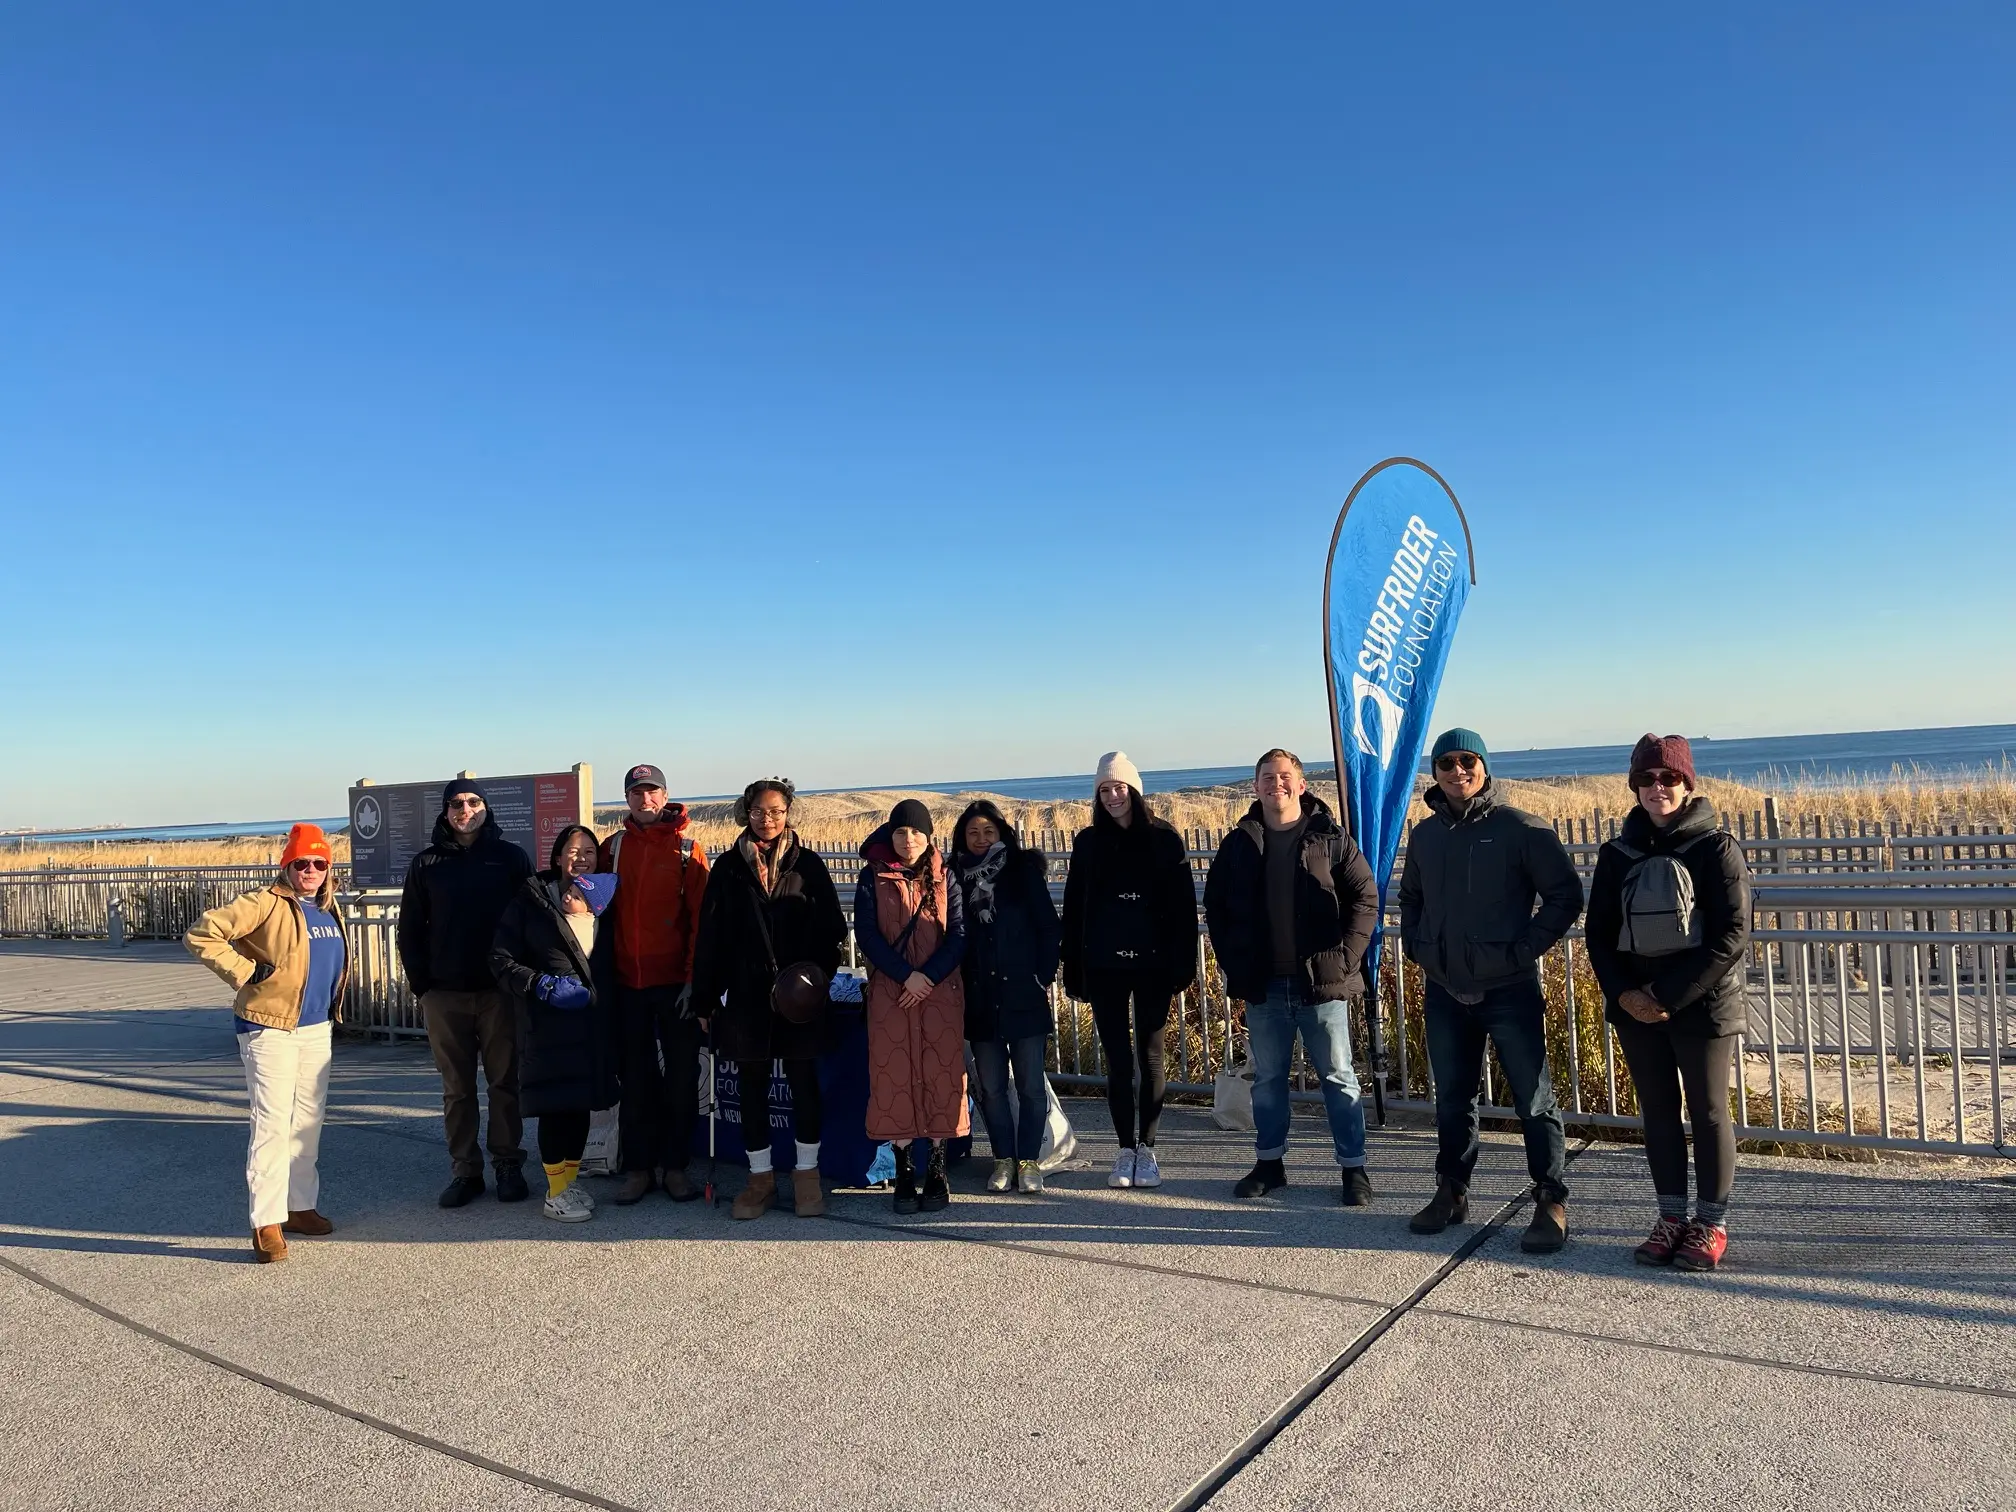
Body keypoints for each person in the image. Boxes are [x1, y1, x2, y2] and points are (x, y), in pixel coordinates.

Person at [1400, 729, 1585, 1252]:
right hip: (1444, 988)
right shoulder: (1427, 835)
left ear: (1484, 766)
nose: (1458, 771)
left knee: (1533, 1098)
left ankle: (1550, 1198)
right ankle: (1452, 1191)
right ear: (1434, 772)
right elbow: (1410, 896)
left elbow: (1564, 897)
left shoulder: (1521, 828)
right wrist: (1420, 948)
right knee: (1454, 1098)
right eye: (1446, 763)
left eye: (1468, 760)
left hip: (1509, 989)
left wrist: (1521, 951)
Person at [1585, 735, 1753, 1272]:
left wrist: (1666, 995)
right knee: (1657, 1112)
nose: (1658, 788)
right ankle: (1671, 1218)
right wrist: (1627, 996)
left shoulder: (1716, 848)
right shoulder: (1616, 854)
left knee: (1707, 1112)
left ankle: (1711, 1222)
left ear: (1687, 784)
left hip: (1702, 1003)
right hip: (1637, 1005)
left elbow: (1731, 934)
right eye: (1646, 779)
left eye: (1669, 778)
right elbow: (1599, 934)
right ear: (1634, 785)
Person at [1204, 750, 1380, 1204]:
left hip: (1321, 986)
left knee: (1339, 1078)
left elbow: (1365, 897)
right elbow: (1217, 908)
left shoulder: (1329, 836)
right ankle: (1269, 1163)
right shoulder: (1240, 841)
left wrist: (1345, 960)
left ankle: (1353, 1170)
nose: (1275, 784)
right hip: (1264, 985)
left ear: (1301, 785)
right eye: (1267, 777)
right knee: (1267, 1080)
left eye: (1285, 777)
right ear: (1256, 785)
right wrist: (1234, 963)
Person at [185, 823, 349, 1263]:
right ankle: (266, 1222)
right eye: (301, 863)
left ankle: (299, 1207)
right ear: (287, 866)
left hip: (316, 1028)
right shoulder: (265, 902)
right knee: (272, 1124)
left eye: (319, 863)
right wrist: (244, 971)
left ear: (328, 867)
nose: (310, 870)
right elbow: (202, 933)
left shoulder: (329, 908)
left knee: (307, 1122)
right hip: (270, 1027)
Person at [689, 779, 847, 1220]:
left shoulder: (809, 865)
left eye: (776, 811)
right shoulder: (727, 869)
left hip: (799, 998)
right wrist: (705, 998)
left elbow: (833, 928)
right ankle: (759, 1180)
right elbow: (711, 938)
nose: (768, 819)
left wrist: (815, 975)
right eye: (759, 811)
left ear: (788, 813)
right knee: (752, 1087)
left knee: (803, 1084)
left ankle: (806, 1177)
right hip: (746, 996)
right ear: (746, 812)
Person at [1060, 752, 1198, 1190]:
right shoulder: (1087, 842)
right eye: (1104, 789)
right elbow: (1074, 908)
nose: (1113, 795)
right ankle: (1123, 1149)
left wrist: (1183, 963)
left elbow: (1183, 908)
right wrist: (1073, 966)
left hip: (1155, 966)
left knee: (1152, 1058)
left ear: (1134, 790)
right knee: (1118, 1062)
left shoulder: (1164, 838)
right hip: (1104, 967)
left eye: (1119, 787)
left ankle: (1149, 1149)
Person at [397, 777, 535, 1207]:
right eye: (456, 804)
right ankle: (465, 1171)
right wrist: (424, 987)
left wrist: (522, 979)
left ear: (486, 808)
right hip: (445, 995)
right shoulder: (426, 864)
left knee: (504, 1084)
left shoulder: (510, 858)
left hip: (499, 994)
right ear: (445, 812)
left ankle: (508, 1163)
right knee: (456, 1089)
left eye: (473, 802)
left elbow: (532, 919)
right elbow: (409, 930)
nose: (465, 809)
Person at [490, 826, 622, 1224]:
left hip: (592, 1029)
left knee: (581, 1107)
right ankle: (556, 1190)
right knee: (555, 1107)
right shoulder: (530, 902)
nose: (580, 857)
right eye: (571, 850)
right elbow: (500, 958)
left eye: (588, 851)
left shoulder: (605, 907)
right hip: (548, 1027)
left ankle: (570, 1181)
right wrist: (539, 984)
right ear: (557, 856)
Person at [598, 763, 711, 1205]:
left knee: (681, 1080)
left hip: (675, 985)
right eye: (636, 792)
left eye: (652, 791)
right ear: (627, 799)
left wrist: (692, 980)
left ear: (665, 797)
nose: (645, 799)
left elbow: (702, 922)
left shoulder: (687, 849)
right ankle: (640, 1169)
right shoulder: (614, 848)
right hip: (629, 985)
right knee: (637, 1080)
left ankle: (676, 1166)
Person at [856, 800, 969, 1213]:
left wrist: (928, 977)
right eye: (901, 832)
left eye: (916, 832)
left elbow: (958, 933)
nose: (908, 841)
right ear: (890, 835)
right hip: (893, 991)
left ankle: (937, 1170)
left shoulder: (947, 876)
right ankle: (904, 1172)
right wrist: (907, 976)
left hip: (939, 993)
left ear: (929, 835)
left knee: (940, 1074)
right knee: (894, 1077)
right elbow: (866, 933)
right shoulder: (873, 877)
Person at [950, 799, 1061, 1195]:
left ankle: (1029, 1160)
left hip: (1022, 993)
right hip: (979, 998)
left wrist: (1041, 975)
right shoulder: (954, 877)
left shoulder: (1022, 872)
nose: (980, 839)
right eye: (973, 833)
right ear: (962, 838)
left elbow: (1049, 926)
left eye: (988, 832)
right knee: (991, 1087)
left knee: (1031, 1085)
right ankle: (1003, 1159)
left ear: (1002, 834)